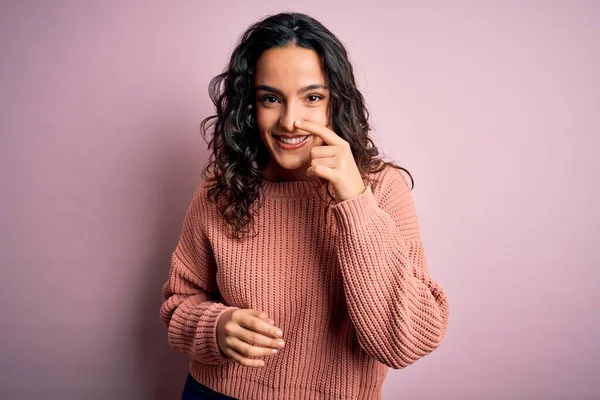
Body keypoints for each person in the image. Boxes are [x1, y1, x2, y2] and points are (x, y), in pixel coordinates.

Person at [159, 11, 450, 400]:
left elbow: (406, 341)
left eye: (312, 97)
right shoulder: (222, 189)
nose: (291, 121)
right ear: (250, 105)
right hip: (217, 393)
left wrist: (354, 202)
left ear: (336, 103)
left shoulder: (380, 189)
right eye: (270, 99)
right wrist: (215, 326)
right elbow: (179, 302)